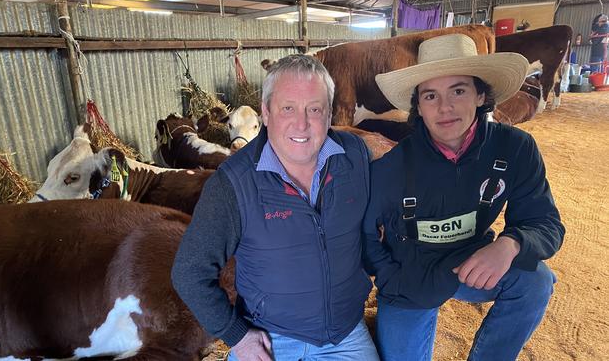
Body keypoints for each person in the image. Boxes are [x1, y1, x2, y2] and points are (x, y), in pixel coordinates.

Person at [364, 34, 565, 361]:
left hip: (473, 262)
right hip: (409, 275)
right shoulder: (390, 166)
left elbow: (544, 222)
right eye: (431, 95)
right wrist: (389, 276)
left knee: (535, 281)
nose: (445, 107)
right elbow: (364, 235)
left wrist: (510, 243)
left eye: (458, 90)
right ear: (419, 105)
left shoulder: (515, 148)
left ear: (481, 94)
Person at [173, 54, 379, 361]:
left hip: (344, 334)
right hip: (269, 338)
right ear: (265, 113)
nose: (302, 123)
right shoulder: (234, 183)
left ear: (329, 114)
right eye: (288, 108)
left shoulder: (355, 157)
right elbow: (189, 272)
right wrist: (236, 335)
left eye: (314, 109)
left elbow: (374, 229)